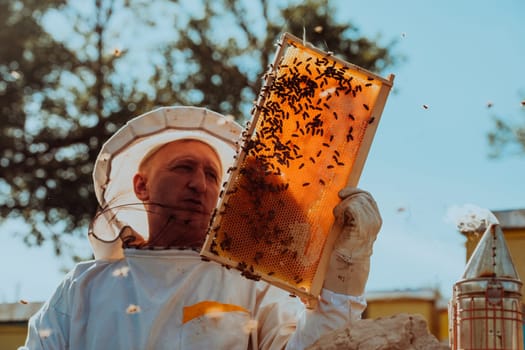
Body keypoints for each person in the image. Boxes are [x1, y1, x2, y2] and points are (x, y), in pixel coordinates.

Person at [25, 106, 382, 349]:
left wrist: (345, 273)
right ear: (141, 186)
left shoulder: (249, 286)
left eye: (212, 175)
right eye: (183, 168)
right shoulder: (83, 288)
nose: (200, 184)